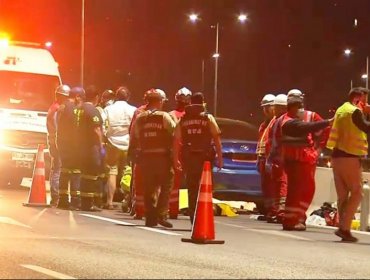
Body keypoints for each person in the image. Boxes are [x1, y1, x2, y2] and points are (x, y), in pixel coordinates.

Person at [280, 89, 333, 231]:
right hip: (296, 160)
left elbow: (324, 132)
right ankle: (293, 219)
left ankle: (296, 217)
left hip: (305, 159)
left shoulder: (310, 116)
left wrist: (318, 150)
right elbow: (306, 127)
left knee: (302, 190)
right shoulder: (287, 120)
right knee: (297, 191)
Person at [326, 87, 370, 242]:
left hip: (336, 157)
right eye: (364, 100)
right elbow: (366, 127)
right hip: (349, 157)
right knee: (357, 192)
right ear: (357, 98)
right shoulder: (354, 111)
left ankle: (342, 227)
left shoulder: (341, 109)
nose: (365, 103)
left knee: (343, 195)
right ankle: (344, 228)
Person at [173, 92, 223, 224]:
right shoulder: (208, 118)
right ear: (203, 103)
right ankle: (203, 217)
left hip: (189, 158)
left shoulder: (183, 119)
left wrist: (175, 158)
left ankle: (193, 218)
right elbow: (216, 138)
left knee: (192, 187)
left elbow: (177, 140)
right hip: (205, 159)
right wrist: (220, 157)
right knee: (206, 188)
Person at [133, 88, 175, 227]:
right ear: (159, 101)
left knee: (149, 188)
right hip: (162, 157)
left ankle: (150, 218)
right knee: (166, 184)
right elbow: (174, 132)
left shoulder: (140, 118)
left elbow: (136, 136)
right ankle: (161, 215)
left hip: (146, 157)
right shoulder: (164, 116)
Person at [103, 86, 136, 210]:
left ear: (116, 96)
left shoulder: (108, 109)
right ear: (128, 97)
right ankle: (127, 199)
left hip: (112, 143)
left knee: (112, 172)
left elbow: (103, 126)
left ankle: (109, 202)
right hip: (128, 144)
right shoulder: (133, 110)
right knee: (128, 172)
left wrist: (106, 136)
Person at [79, 85, 105, 212]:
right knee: (91, 175)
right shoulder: (93, 110)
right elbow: (96, 129)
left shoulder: (79, 109)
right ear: (96, 97)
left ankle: (83, 202)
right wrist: (101, 146)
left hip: (80, 146)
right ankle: (88, 204)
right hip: (91, 147)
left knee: (84, 175)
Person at [56, 86, 83, 210]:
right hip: (74, 145)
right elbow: (77, 129)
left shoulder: (62, 107)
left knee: (64, 170)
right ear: (77, 97)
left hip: (62, 144)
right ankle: (75, 201)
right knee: (76, 172)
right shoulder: (75, 109)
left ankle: (62, 199)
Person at [168, 87, 192, 219]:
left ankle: (173, 210)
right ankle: (191, 209)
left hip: (178, 151)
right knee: (190, 182)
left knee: (175, 183)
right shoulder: (193, 115)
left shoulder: (171, 114)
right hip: (188, 152)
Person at [265, 94, 288, 223]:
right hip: (281, 158)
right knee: (280, 185)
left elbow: (273, 141)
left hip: (280, 158)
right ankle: (278, 211)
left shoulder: (279, 121)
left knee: (280, 185)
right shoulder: (281, 120)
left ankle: (278, 211)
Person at [46, 84, 70, 207]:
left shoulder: (53, 107)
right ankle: (56, 196)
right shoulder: (57, 109)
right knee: (58, 170)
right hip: (57, 142)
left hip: (52, 141)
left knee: (55, 168)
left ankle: (54, 196)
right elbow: (57, 128)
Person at [127, 93, 149, 219]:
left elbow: (132, 131)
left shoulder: (138, 112)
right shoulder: (161, 115)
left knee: (137, 180)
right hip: (148, 152)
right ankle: (138, 206)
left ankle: (136, 207)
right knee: (140, 181)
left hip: (140, 151)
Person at [256, 94, 275, 218]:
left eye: (267, 107)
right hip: (263, 158)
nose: (265, 110)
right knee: (266, 187)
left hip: (271, 159)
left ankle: (273, 211)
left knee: (273, 186)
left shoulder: (275, 122)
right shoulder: (264, 125)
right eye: (264, 107)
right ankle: (268, 210)